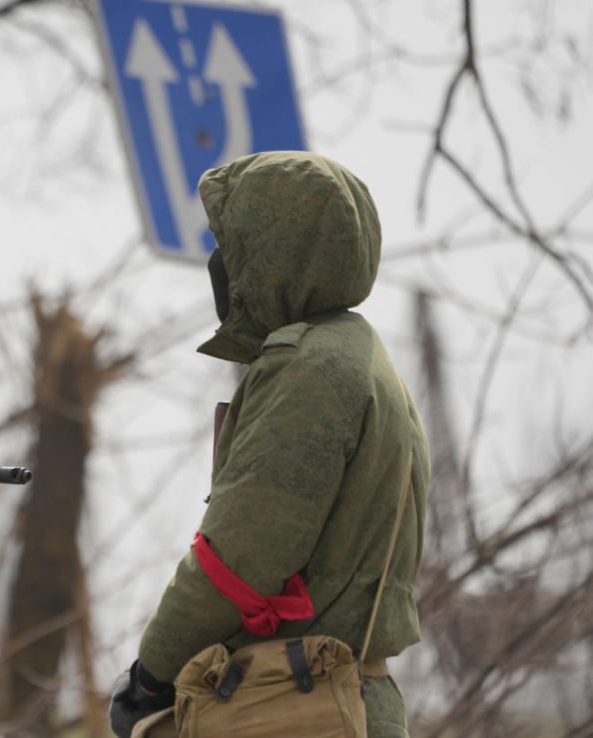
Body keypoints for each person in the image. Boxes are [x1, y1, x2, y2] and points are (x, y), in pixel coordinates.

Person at [109, 151, 429, 737]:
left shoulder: (311, 369)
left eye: (232, 242)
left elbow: (241, 557)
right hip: (339, 700)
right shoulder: (361, 357)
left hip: (298, 707)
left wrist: (151, 672)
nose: (220, 262)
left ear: (277, 252)